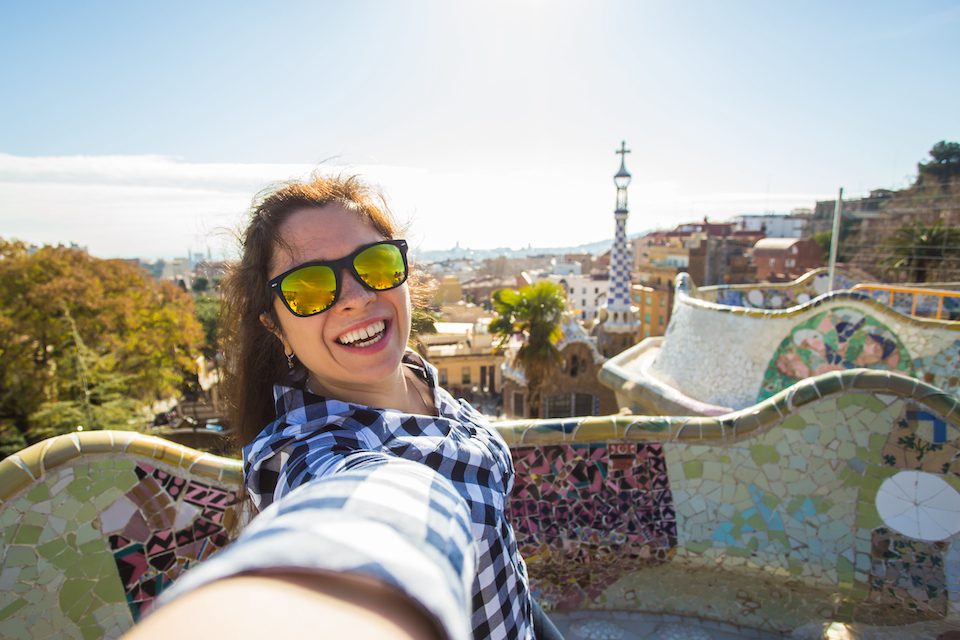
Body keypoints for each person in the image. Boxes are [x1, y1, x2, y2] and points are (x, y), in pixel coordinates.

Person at [136, 175, 560, 639]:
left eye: (375, 264)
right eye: (310, 288)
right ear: (275, 328)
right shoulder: (308, 451)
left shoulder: (420, 376)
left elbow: (499, 562)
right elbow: (366, 507)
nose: (357, 297)